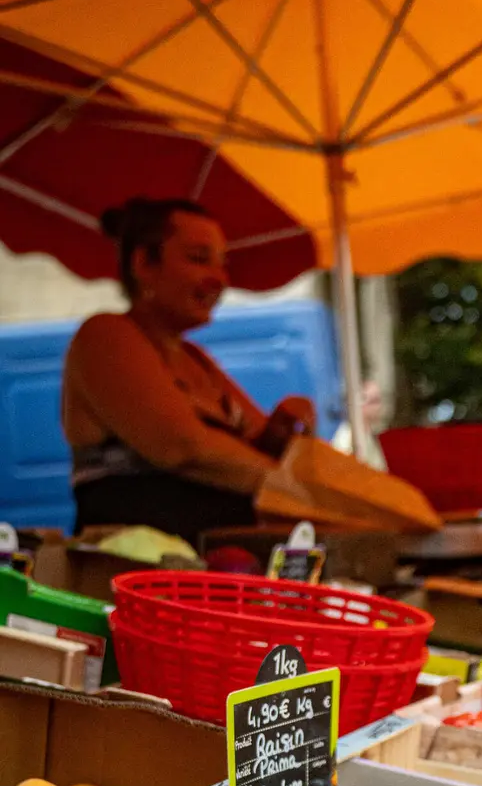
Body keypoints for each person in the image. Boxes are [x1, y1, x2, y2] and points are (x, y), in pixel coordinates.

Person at [63, 197, 322, 542]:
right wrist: (306, 494)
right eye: (199, 259)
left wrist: (280, 433)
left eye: (222, 264)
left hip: (218, 561)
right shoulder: (106, 335)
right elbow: (182, 447)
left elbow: (252, 448)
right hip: (141, 567)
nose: (219, 279)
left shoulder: (196, 358)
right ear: (143, 263)